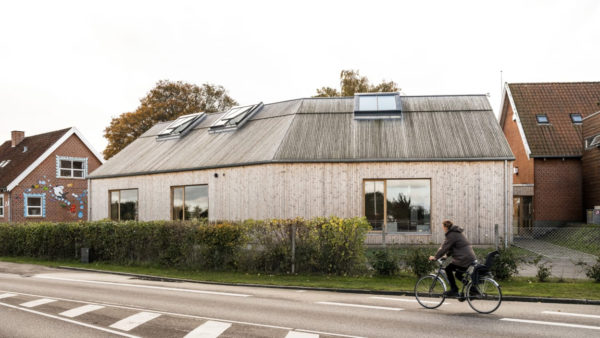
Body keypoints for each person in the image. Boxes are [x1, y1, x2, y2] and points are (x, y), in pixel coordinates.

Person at [428, 220, 476, 297]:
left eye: (443, 227)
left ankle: (454, 289)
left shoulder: (451, 235)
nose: (443, 229)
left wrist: (435, 257)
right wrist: (446, 256)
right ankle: (473, 290)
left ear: (446, 227)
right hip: (469, 257)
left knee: (448, 269)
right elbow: (453, 247)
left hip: (464, 258)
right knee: (458, 275)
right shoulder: (456, 233)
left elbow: (444, 248)